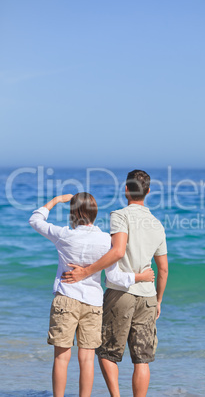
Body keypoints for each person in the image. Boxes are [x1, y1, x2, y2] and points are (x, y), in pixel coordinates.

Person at [29, 192, 154, 397]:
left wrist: (56, 200)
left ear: (73, 213)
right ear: (94, 213)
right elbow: (114, 278)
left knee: (61, 358)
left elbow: (35, 220)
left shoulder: (64, 235)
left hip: (66, 298)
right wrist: (139, 277)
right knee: (86, 359)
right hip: (93, 304)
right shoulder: (106, 240)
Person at [61, 170, 168, 397]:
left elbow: (118, 251)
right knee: (142, 359)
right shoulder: (158, 224)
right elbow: (164, 268)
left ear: (126, 189)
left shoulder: (119, 215)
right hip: (148, 296)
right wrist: (158, 300)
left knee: (107, 353)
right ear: (148, 192)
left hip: (120, 293)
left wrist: (87, 272)